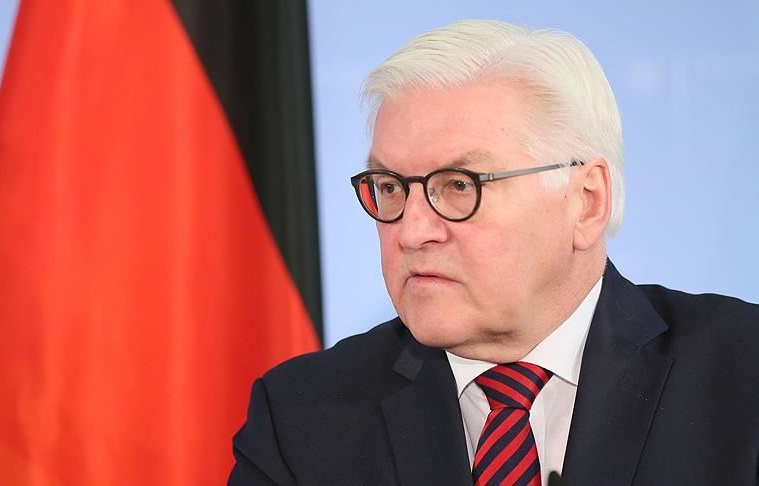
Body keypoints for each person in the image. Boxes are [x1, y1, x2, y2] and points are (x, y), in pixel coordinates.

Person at [229, 19, 759, 485]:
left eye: (459, 185)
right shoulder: (300, 419)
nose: (412, 231)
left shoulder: (742, 375)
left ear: (586, 202)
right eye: (390, 187)